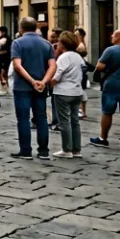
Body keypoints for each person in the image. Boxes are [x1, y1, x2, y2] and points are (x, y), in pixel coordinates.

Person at [11, 17, 55, 160]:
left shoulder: (17, 43)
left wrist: (31, 81)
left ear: (21, 28)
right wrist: (43, 82)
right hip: (41, 88)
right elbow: (53, 66)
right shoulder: (46, 44)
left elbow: (17, 65)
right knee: (41, 118)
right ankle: (43, 151)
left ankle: (26, 151)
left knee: (23, 119)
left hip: (22, 87)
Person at [91, 29, 120, 153]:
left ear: (118, 37)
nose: (111, 36)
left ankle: (103, 138)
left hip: (111, 86)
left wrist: (108, 69)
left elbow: (99, 67)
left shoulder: (110, 50)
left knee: (107, 112)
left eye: (113, 35)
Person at [51, 30, 85, 158]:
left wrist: (50, 82)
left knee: (64, 121)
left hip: (63, 91)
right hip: (77, 91)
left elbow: (58, 74)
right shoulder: (78, 56)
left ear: (62, 44)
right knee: (75, 121)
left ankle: (67, 149)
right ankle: (77, 149)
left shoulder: (63, 57)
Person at [0, 26, 12, 90]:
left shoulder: (8, 39)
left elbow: (8, 50)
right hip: (2, 58)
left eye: (0, 31)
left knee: (4, 71)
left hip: (6, 57)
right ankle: (4, 85)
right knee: (1, 71)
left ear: (3, 32)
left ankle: (5, 85)